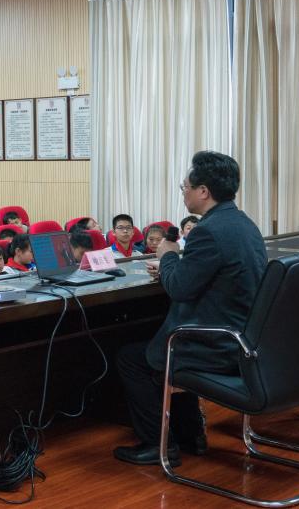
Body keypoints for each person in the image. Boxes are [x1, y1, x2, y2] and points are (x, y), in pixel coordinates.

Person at [114, 151, 267, 466]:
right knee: (165, 344)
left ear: (203, 191)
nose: (183, 192)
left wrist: (169, 256)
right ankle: (191, 435)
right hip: (244, 338)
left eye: (185, 187)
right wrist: (177, 267)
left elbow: (180, 288)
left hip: (215, 344)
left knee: (131, 358)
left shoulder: (207, 231)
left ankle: (159, 445)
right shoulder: (244, 223)